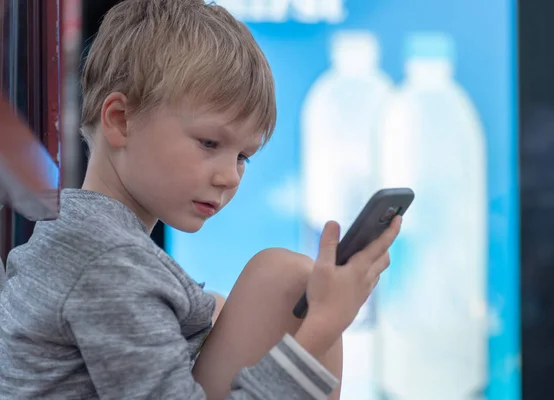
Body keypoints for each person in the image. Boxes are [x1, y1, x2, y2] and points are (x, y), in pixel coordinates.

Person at [0, 0, 401, 399]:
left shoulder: (80, 236)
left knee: (270, 284)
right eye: (209, 143)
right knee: (289, 283)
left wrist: (212, 312)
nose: (229, 177)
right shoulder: (110, 266)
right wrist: (322, 329)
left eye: (243, 156)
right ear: (121, 120)